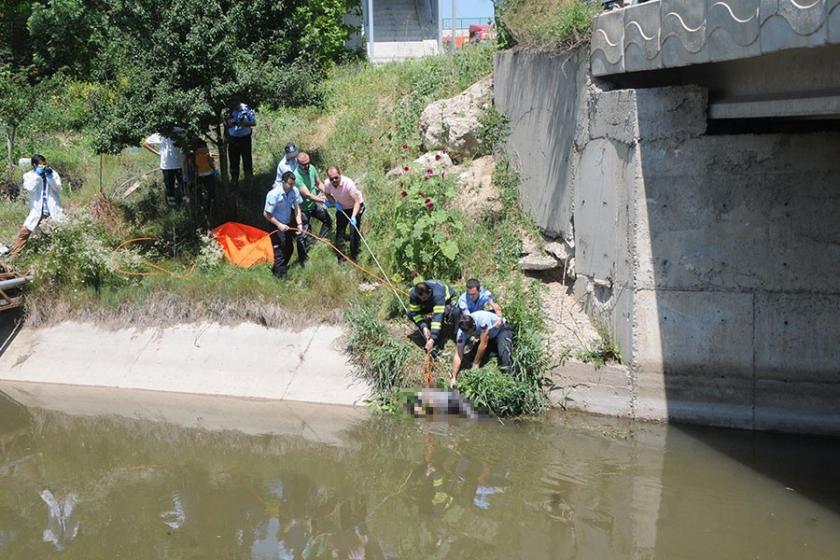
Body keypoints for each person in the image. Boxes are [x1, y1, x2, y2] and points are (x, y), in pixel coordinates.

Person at [10, 154, 64, 258]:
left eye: (44, 164)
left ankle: (58, 256)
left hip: (52, 210)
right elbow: (30, 187)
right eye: (40, 165)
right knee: (24, 232)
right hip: (37, 211)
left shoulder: (53, 173)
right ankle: (15, 256)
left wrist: (50, 177)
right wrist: (38, 175)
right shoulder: (28, 175)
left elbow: (58, 189)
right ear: (34, 165)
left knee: (57, 233)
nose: (43, 166)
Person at [450, 311, 514, 384]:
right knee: (472, 355)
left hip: (502, 330)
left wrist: (475, 364)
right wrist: (453, 377)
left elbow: (483, 344)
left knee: (503, 353)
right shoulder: (461, 333)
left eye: (470, 332)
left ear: (474, 324)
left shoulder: (482, 320)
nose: (469, 334)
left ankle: (511, 379)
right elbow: (458, 354)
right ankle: (496, 348)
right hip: (490, 337)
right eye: (467, 333)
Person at [263, 171, 306, 277]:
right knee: (279, 251)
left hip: (287, 223)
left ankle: (278, 269)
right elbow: (266, 214)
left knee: (289, 248)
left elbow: (297, 209)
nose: (292, 186)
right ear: (283, 182)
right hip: (275, 224)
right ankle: (282, 277)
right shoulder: (273, 194)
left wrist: (299, 224)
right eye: (289, 184)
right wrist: (279, 225)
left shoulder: (294, 191)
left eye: (293, 184)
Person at [323, 165, 365, 263]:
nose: (334, 180)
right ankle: (341, 258)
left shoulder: (348, 184)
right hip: (342, 208)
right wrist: (334, 203)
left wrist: (354, 217)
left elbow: (357, 201)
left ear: (340, 174)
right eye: (331, 179)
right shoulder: (327, 183)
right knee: (340, 232)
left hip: (355, 207)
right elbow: (327, 194)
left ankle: (355, 256)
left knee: (354, 232)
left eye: (336, 177)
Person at [406, 280, 459, 352]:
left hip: (447, 301)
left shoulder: (438, 293)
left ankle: (452, 331)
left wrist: (433, 338)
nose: (422, 299)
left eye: (424, 298)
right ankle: (428, 328)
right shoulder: (413, 294)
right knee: (409, 313)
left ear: (430, 291)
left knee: (451, 312)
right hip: (430, 303)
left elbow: (437, 316)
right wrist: (423, 327)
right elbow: (414, 313)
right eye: (420, 298)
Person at [294, 152, 332, 240]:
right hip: (303, 208)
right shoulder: (296, 176)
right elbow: (308, 195)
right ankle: (309, 247)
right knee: (306, 234)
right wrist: (324, 201)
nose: (307, 166)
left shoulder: (311, 168)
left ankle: (321, 240)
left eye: (308, 163)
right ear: (298, 163)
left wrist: (329, 193)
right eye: (304, 164)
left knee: (328, 221)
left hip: (314, 204)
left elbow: (319, 184)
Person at [143, 132, 186, 206]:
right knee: (169, 187)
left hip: (179, 164)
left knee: (184, 186)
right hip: (166, 166)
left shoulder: (179, 130)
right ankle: (173, 207)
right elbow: (145, 143)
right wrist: (158, 153)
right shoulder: (160, 134)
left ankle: (185, 205)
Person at [225, 101, 256, 187]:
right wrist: (230, 123)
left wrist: (245, 123)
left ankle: (249, 180)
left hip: (245, 138)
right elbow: (225, 124)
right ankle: (234, 181)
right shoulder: (228, 110)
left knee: (247, 160)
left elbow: (254, 122)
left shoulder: (247, 108)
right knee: (234, 161)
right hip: (233, 139)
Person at [193, 140, 217, 211]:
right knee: (211, 191)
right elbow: (210, 161)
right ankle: (210, 205)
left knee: (200, 191)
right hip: (208, 174)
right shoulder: (205, 151)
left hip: (198, 175)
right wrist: (214, 170)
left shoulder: (193, 153)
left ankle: (202, 205)